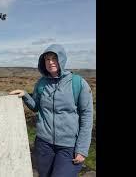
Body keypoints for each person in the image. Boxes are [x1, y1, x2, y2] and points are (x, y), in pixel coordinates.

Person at [9, 44, 93, 177]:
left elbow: (87, 117)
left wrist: (82, 149)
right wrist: (25, 95)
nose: (50, 62)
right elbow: (36, 106)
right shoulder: (41, 83)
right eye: (47, 59)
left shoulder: (78, 83)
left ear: (62, 59)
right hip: (44, 144)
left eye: (54, 58)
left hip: (69, 146)